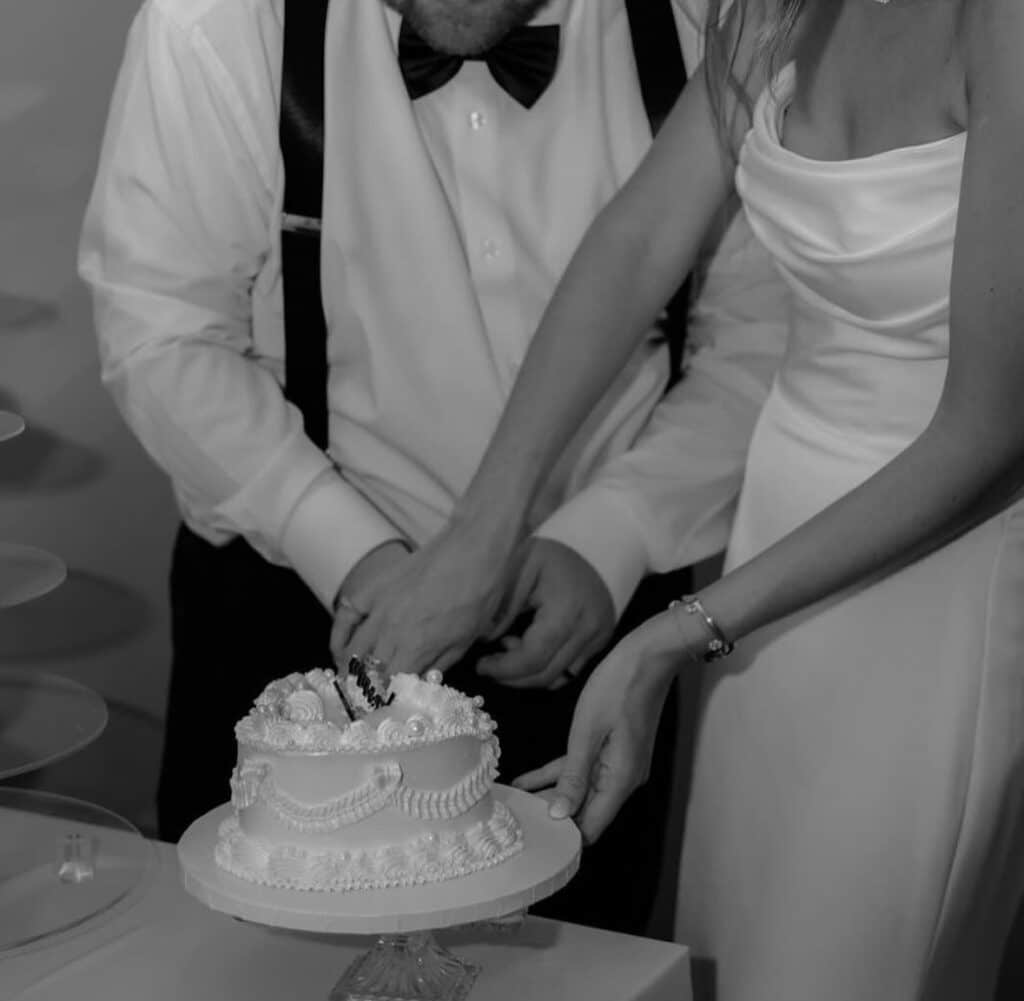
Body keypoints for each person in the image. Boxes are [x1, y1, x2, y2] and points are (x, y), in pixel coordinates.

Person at [78, 0, 789, 935]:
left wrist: (614, 532)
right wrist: (345, 547)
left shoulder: (709, 24)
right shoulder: (216, 24)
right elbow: (159, 334)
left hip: (592, 644)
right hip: (287, 626)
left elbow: (760, 336)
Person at [360, 0, 1024, 997]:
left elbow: (988, 431)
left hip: (934, 577)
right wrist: (482, 526)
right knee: (735, 948)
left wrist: (682, 628)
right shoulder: (771, 6)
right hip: (772, 561)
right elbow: (635, 243)